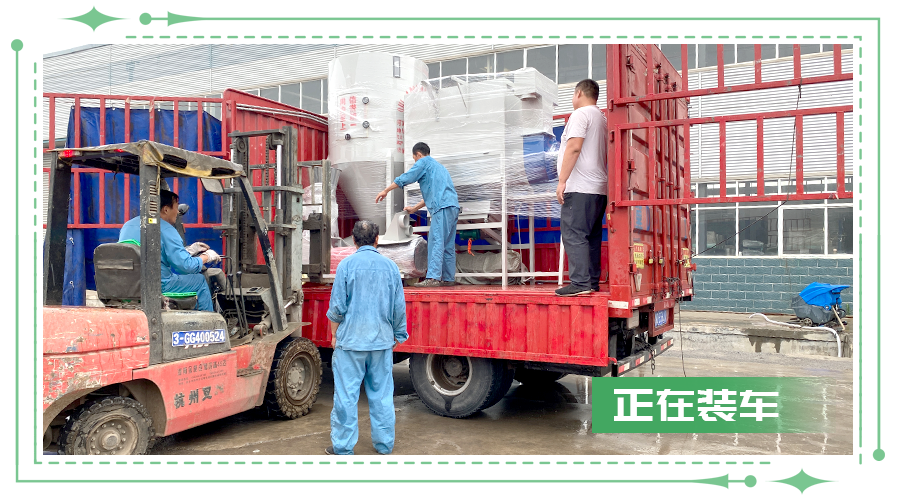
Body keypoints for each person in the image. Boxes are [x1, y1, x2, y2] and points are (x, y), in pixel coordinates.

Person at [325, 220, 409, 456]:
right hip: (381, 342)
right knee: (382, 396)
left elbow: (337, 307)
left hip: (351, 342)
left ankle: (343, 447)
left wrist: (334, 335)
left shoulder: (346, 265)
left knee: (346, 396)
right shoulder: (391, 267)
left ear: (353, 240)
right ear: (377, 239)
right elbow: (398, 307)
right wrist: (398, 334)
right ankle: (384, 445)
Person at [118, 189, 221, 311]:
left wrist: (186, 251)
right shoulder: (166, 229)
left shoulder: (128, 225)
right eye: (176, 208)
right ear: (166, 209)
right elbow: (185, 267)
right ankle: (208, 321)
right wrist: (207, 256)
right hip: (158, 285)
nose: (177, 212)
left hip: (130, 285)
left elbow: (148, 252)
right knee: (199, 281)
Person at [375, 142, 460, 287]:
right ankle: (448, 278)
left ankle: (432, 278)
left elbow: (407, 177)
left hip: (441, 208)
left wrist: (386, 190)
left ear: (418, 155)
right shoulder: (440, 167)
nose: (415, 162)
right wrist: (414, 208)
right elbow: (433, 193)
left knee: (436, 242)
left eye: (414, 159)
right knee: (448, 244)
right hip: (453, 207)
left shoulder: (423, 162)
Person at [555, 79, 609, 297]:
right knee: (591, 236)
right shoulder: (602, 118)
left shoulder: (580, 114)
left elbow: (574, 147)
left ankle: (579, 282)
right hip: (598, 189)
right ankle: (591, 281)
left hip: (580, 187)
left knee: (573, 233)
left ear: (578, 93)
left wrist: (562, 181)